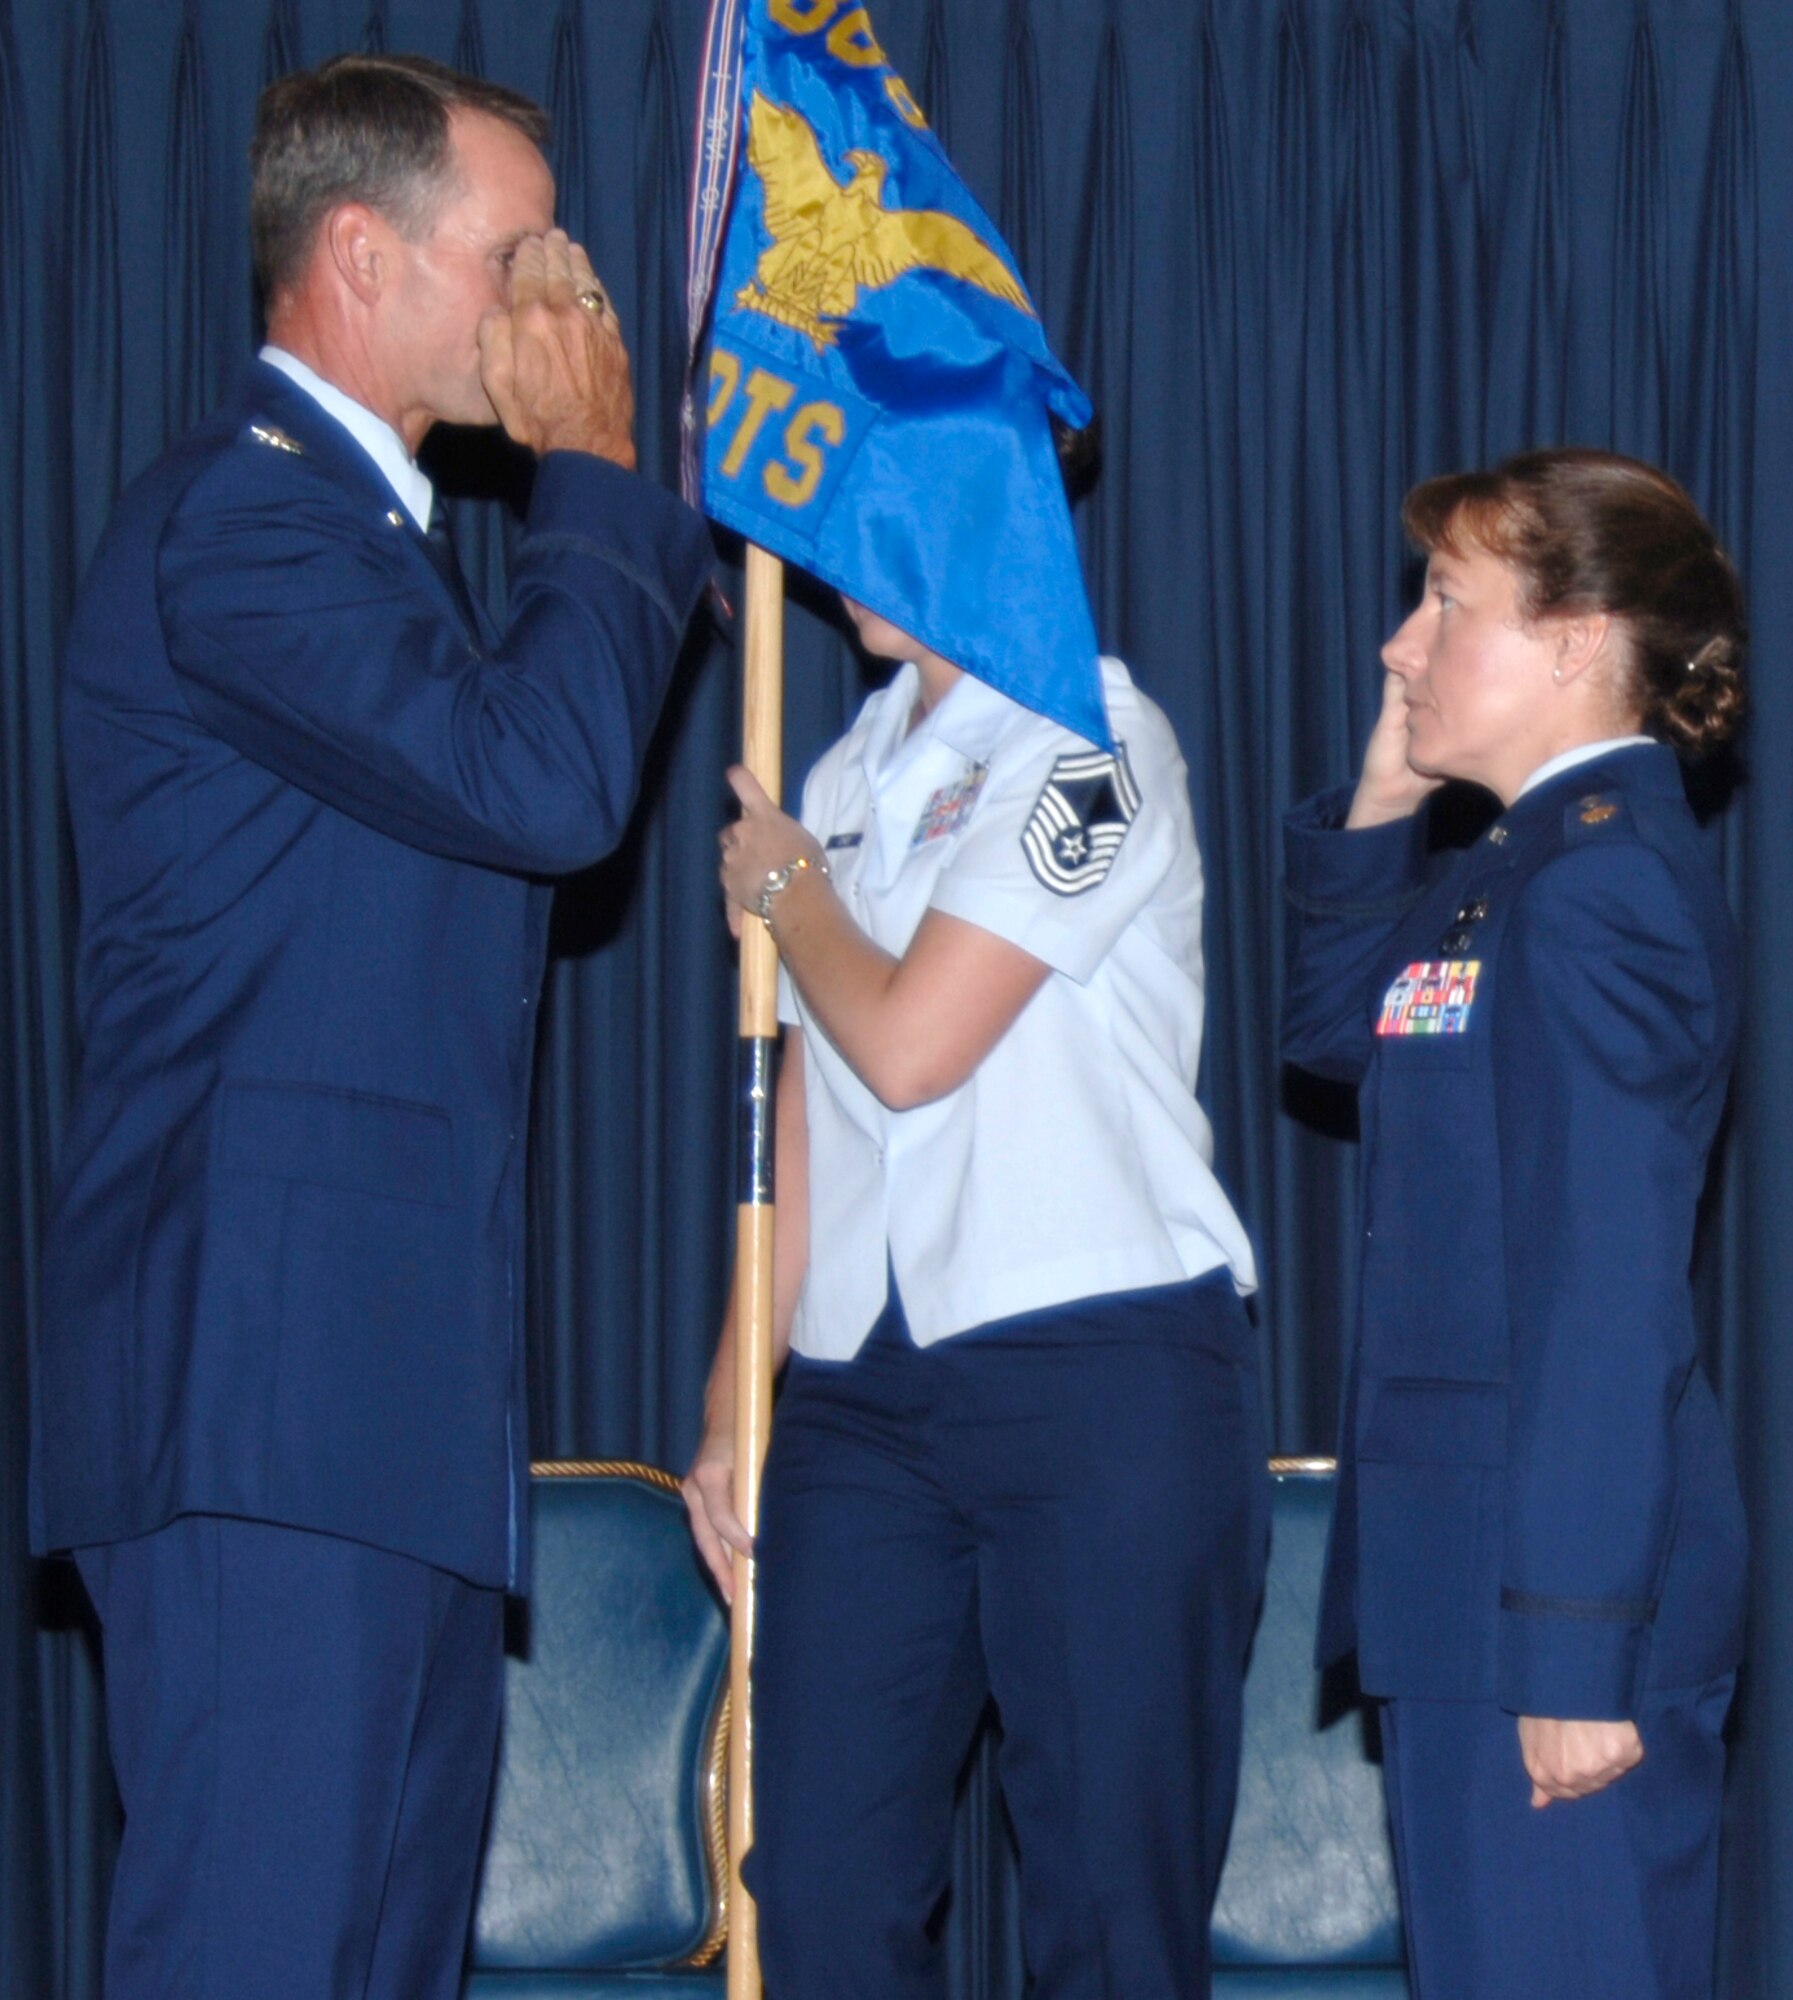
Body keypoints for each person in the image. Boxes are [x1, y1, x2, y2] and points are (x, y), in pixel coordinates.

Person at [29, 53, 713, 2000]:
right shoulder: (243, 524)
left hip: (384, 1421)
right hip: (266, 1406)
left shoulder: (377, 545)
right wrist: (595, 480)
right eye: (519, 256)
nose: (557, 305)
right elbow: (549, 783)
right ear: (357, 253)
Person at [684, 597, 1267, 1998]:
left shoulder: (1095, 734)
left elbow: (908, 1044)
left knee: (1110, 1902)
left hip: (1097, 1352)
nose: (841, 552)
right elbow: (816, 1111)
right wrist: (729, 1402)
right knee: (816, 1885)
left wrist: (790, 897)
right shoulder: (832, 775)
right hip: (860, 1388)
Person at [1281, 448, 1748, 1999]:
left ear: (1571, 639)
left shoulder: (1601, 886)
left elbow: (1607, 1299)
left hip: (1541, 1613)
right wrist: (1383, 789)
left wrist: (1571, 1654)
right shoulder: (1514, 869)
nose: (1396, 645)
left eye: (1441, 603)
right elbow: (1334, 1035)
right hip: (1461, 1589)